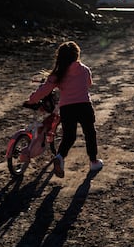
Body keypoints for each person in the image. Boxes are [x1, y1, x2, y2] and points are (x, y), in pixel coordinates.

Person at [25, 41, 103, 178]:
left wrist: (31, 100)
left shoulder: (58, 74)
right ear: (77, 55)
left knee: (69, 136)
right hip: (85, 106)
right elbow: (89, 84)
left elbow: (43, 90)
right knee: (90, 133)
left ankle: (60, 157)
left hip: (67, 108)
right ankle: (94, 161)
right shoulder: (85, 69)